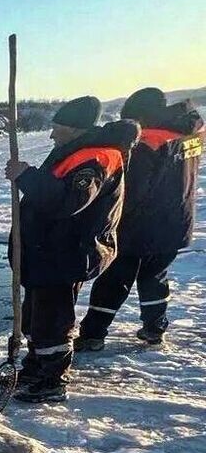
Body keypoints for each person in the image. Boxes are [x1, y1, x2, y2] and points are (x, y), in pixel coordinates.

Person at [4, 96, 139, 402]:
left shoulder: (95, 159)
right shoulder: (77, 152)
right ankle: (36, 367)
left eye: (58, 127)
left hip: (65, 254)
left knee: (52, 321)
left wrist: (26, 176)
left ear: (75, 129)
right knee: (36, 317)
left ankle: (51, 381)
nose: (52, 134)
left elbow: (68, 202)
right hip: (49, 252)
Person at [76, 88, 204, 349]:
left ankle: (92, 334)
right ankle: (155, 328)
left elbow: (133, 188)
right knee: (154, 275)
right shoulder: (190, 134)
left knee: (114, 277)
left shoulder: (147, 141)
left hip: (140, 224)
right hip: (177, 221)